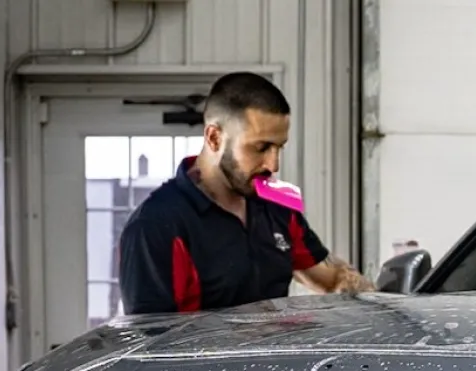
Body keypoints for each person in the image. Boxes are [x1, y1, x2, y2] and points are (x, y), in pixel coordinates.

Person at [118, 71, 371, 315]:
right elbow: (150, 348)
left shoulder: (278, 204)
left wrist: (383, 300)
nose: (274, 165)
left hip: (276, 358)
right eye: (261, 148)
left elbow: (333, 278)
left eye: (279, 147)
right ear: (214, 138)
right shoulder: (155, 226)